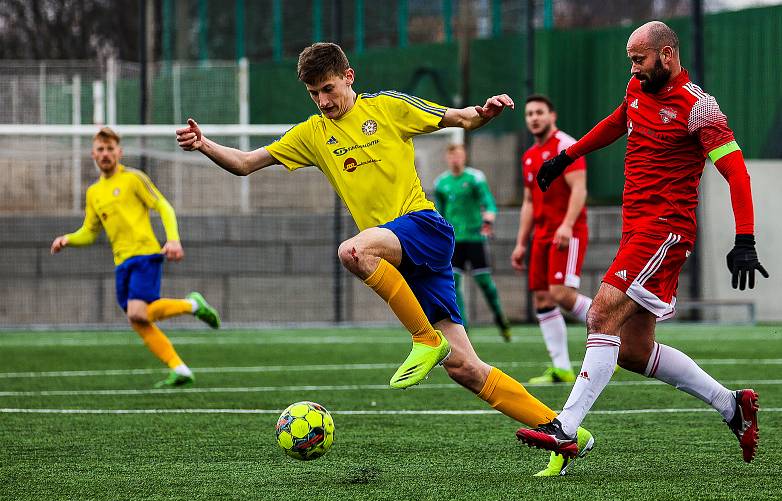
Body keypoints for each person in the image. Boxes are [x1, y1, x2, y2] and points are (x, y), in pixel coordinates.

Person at [176, 42, 593, 476]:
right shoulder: (312, 134)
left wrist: (484, 112)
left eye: (328, 88)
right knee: (464, 368)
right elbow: (245, 163)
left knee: (353, 250)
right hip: (398, 256)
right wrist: (205, 144)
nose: (323, 100)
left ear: (349, 77)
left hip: (423, 228)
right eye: (314, 93)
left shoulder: (388, 107)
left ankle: (426, 340)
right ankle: (564, 432)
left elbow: (460, 118)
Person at [516, 21, 768, 465]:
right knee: (633, 351)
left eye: (639, 60)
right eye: (630, 61)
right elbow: (618, 121)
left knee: (600, 313)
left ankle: (565, 428)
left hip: (666, 230)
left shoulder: (700, 108)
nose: (633, 69)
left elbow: (736, 173)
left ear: (666, 55)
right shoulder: (637, 89)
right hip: (638, 230)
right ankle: (733, 405)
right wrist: (567, 157)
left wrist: (744, 237)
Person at [51, 127, 220, 388]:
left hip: (145, 255)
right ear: (93, 154)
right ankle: (180, 367)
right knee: (137, 319)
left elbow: (163, 206)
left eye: (110, 149)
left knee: (137, 312)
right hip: (122, 264)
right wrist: (68, 239)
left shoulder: (134, 179)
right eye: (100, 149)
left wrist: (172, 238)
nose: (105, 154)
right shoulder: (94, 193)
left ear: (119, 152)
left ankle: (192, 305)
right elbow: (90, 232)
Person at [512, 94, 593, 384]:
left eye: (539, 112)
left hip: (566, 231)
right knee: (543, 298)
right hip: (542, 234)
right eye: (529, 113)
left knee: (561, 294)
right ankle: (561, 368)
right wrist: (522, 242)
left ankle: (616, 330)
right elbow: (529, 202)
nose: (534, 117)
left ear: (552, 116)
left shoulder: (565, 146)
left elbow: (579, 189)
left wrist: (567, 225)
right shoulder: (529, 156)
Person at [433, 143, 512, 341]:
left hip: (475, 238)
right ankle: (464, 328)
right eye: (452, 156)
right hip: (454, 242)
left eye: (458, 155)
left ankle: (501, 319)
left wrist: (488, 220)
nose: (455, 159)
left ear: (464, 156)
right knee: (454, 284)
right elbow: (440, 213)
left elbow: (488, 202)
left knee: (485, 283)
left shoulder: (475, 178)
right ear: (447, 158)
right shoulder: (441, 183)